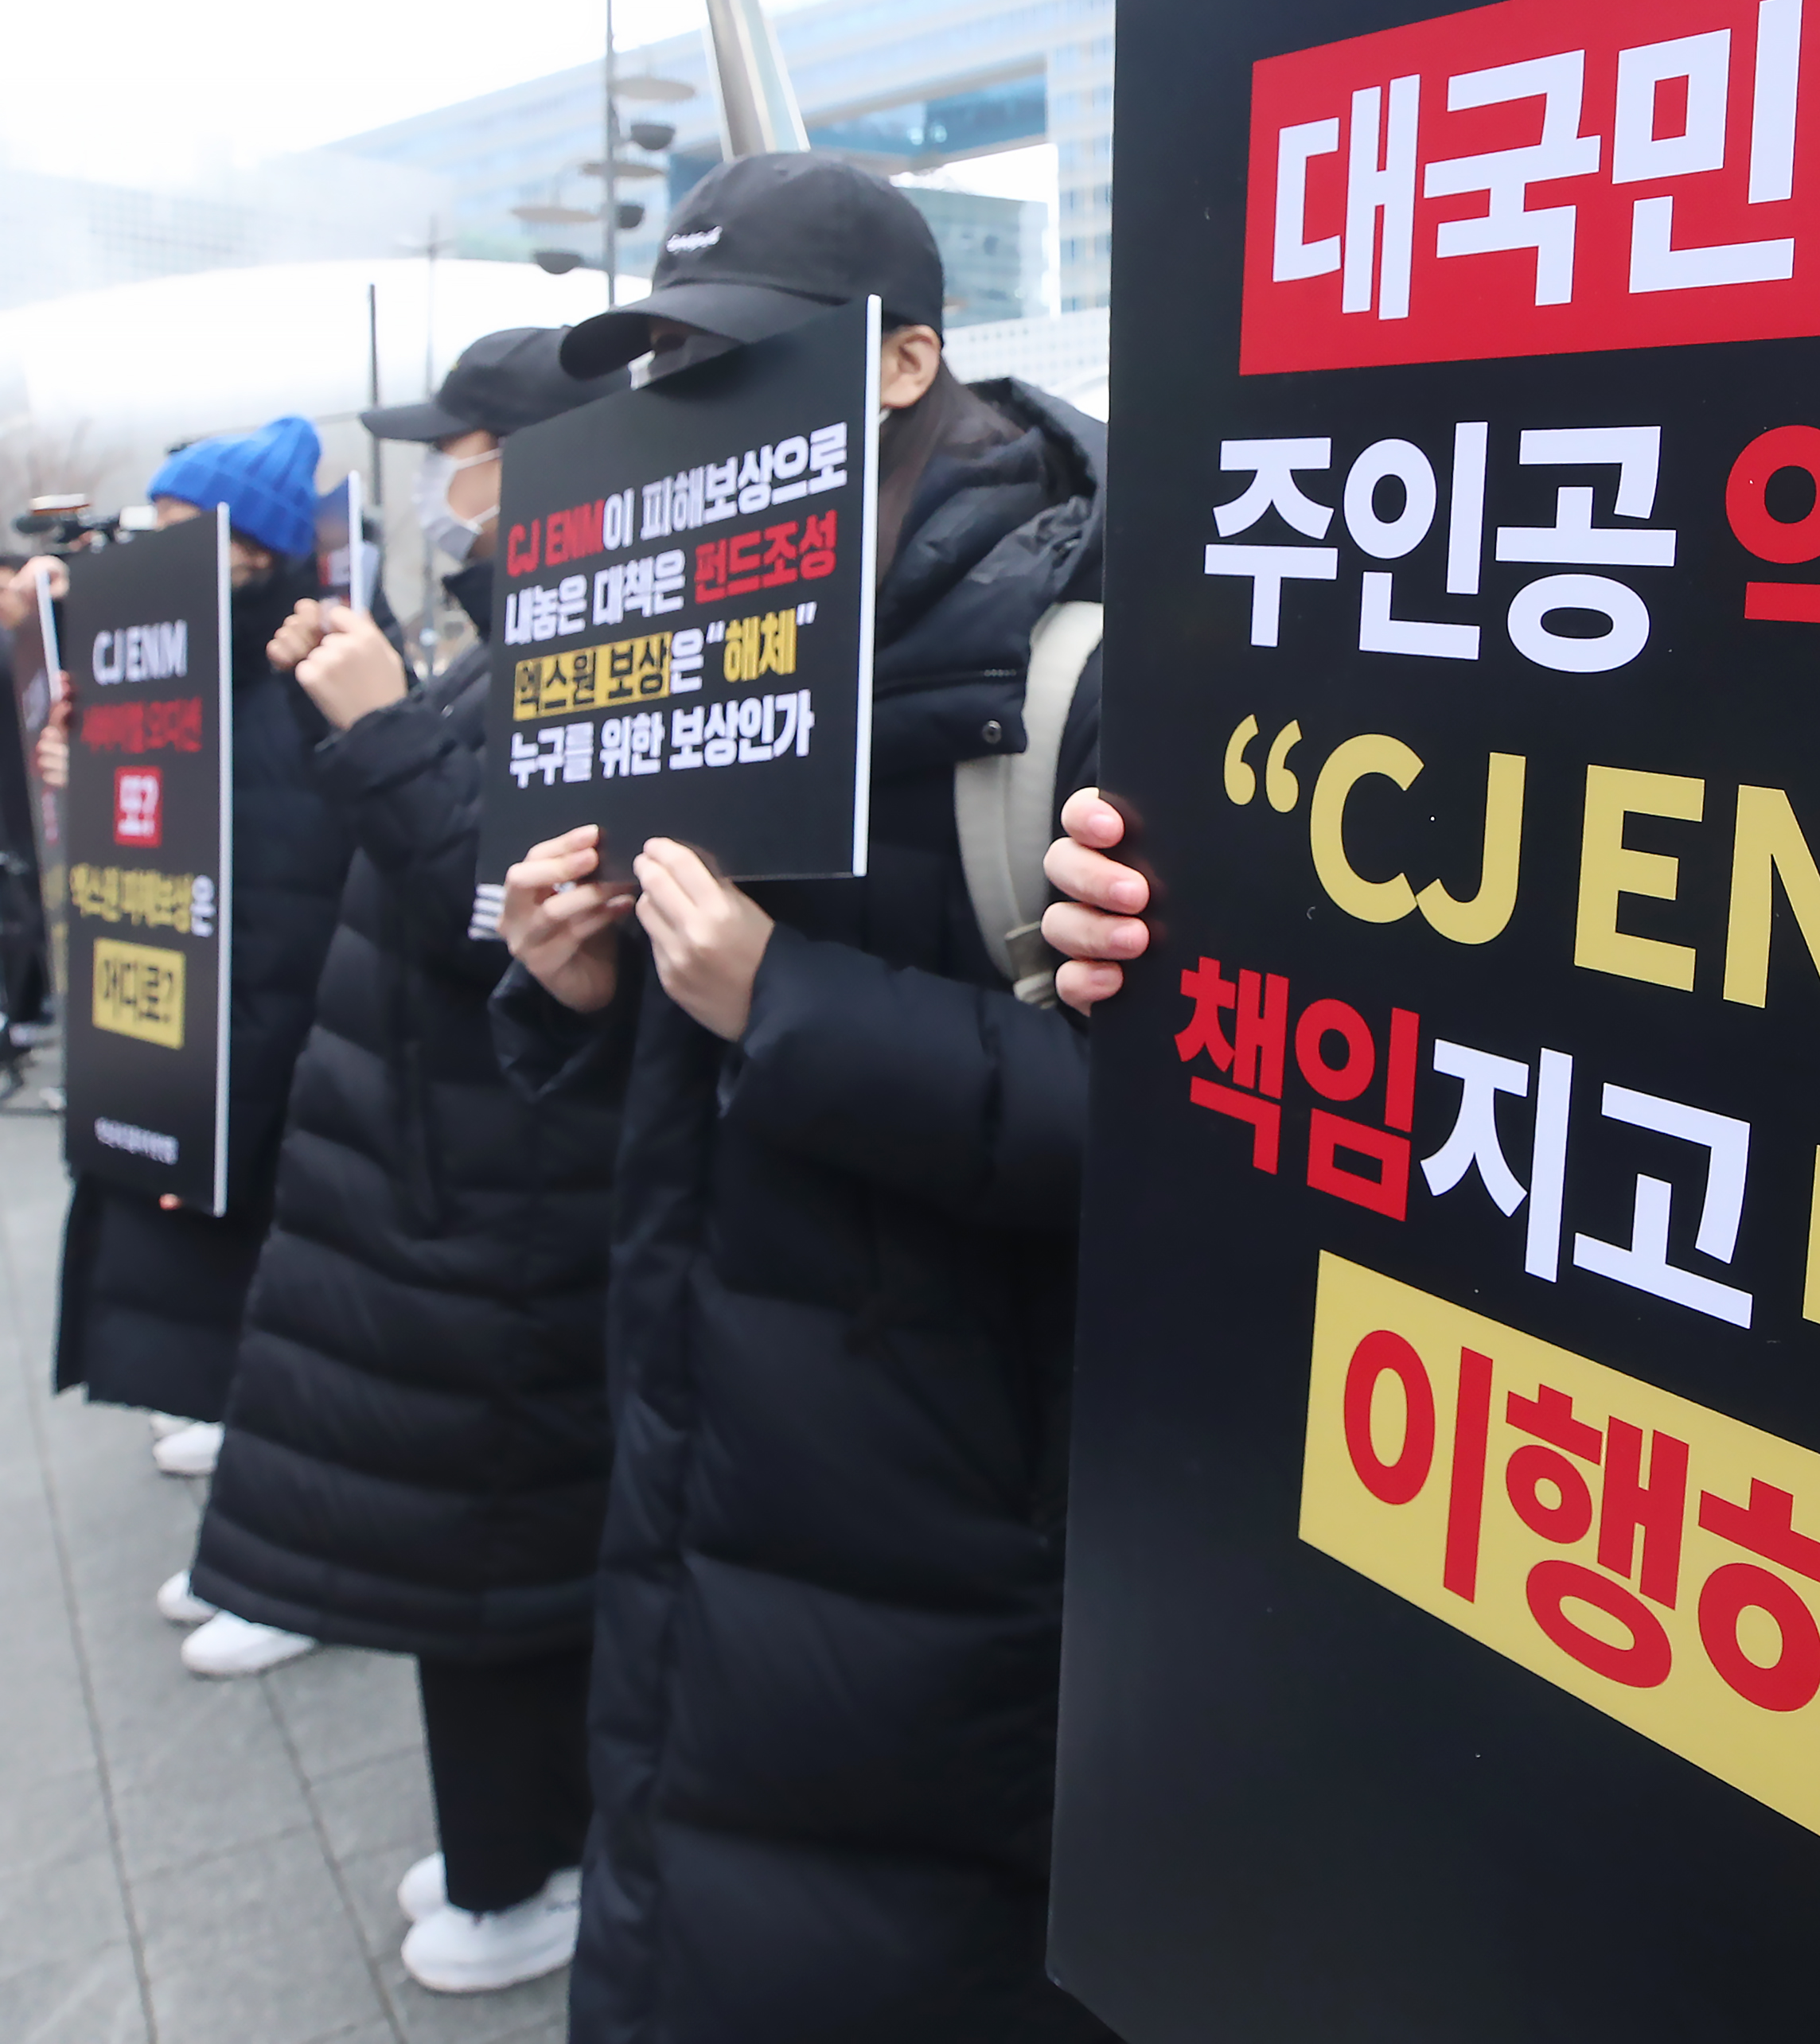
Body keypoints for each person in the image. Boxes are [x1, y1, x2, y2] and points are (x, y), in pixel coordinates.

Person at [497, 152, 1119, 2043]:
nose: (686, 404)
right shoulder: (674, 626)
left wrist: (790, 1000)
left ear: (909, 359)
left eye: (734, 357)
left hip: (942, 1513)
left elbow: (1175, 1143)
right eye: (663, 362)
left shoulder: (1077, 660)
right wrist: (572, 985)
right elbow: (660, 1077)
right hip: (697, 1446)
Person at [170, 330, 630, 1995]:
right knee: (473, 1552)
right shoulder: (514, 628)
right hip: (442, 1167)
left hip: (502, 1182)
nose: (451, 477)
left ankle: (530, 1871)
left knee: (492, 1552)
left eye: (473, 445)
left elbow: (515, 917)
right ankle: (518, 1847)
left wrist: (379, 723)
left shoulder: (620, 646)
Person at [49, 421, 353, 1487]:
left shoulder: (296, 683)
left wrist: (218, 1100)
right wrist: (82, 767)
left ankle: (261, 1498)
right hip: (196, 1045)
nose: (155, 548)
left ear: (250, 550)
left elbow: (282, 914)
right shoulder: (182, 670)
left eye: (180, 528)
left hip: (255, 1063)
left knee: (266, 1288)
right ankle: (234, 1434)